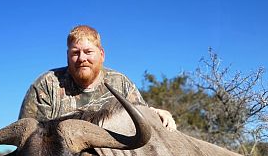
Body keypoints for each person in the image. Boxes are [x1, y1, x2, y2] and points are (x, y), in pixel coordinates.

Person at [19, 25, 176, 130]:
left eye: (88, 52)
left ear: (101, 55)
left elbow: (140, 114)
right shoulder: (47, 84)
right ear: (67, 56)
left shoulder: (120, 82)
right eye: (75, 53)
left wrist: (157, 113)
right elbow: (30, 136)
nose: (81, 58)